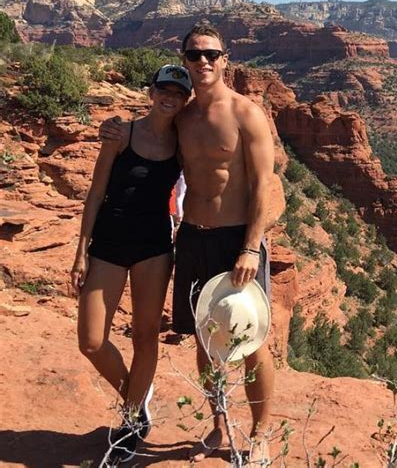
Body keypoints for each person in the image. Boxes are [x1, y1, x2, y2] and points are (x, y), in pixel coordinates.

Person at [100, 25, 278, 464]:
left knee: (251, 340)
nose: (203, 62)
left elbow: (266, 186)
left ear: (226, 58)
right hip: (193, 237)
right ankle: (218, 424)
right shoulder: (181, 118)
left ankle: (260, 431)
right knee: (204, 339)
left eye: (211, 55)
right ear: (183, 58)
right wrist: (118, 129)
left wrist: (250, 246)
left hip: (238, 241)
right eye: (194, 55)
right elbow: (147, 136)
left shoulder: (246, 114)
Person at [71, 64, 192, 463]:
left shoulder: (182, 142)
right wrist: (81, 250)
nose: (169, 97)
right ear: (151, 91)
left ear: (185, 100)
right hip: (107, 242)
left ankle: (129, 420)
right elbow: (95, 191)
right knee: (91, 341)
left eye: (178, 92)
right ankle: (137, 398)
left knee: (145, 336)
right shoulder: (121, 132)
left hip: (154, 247)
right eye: (164, 89)